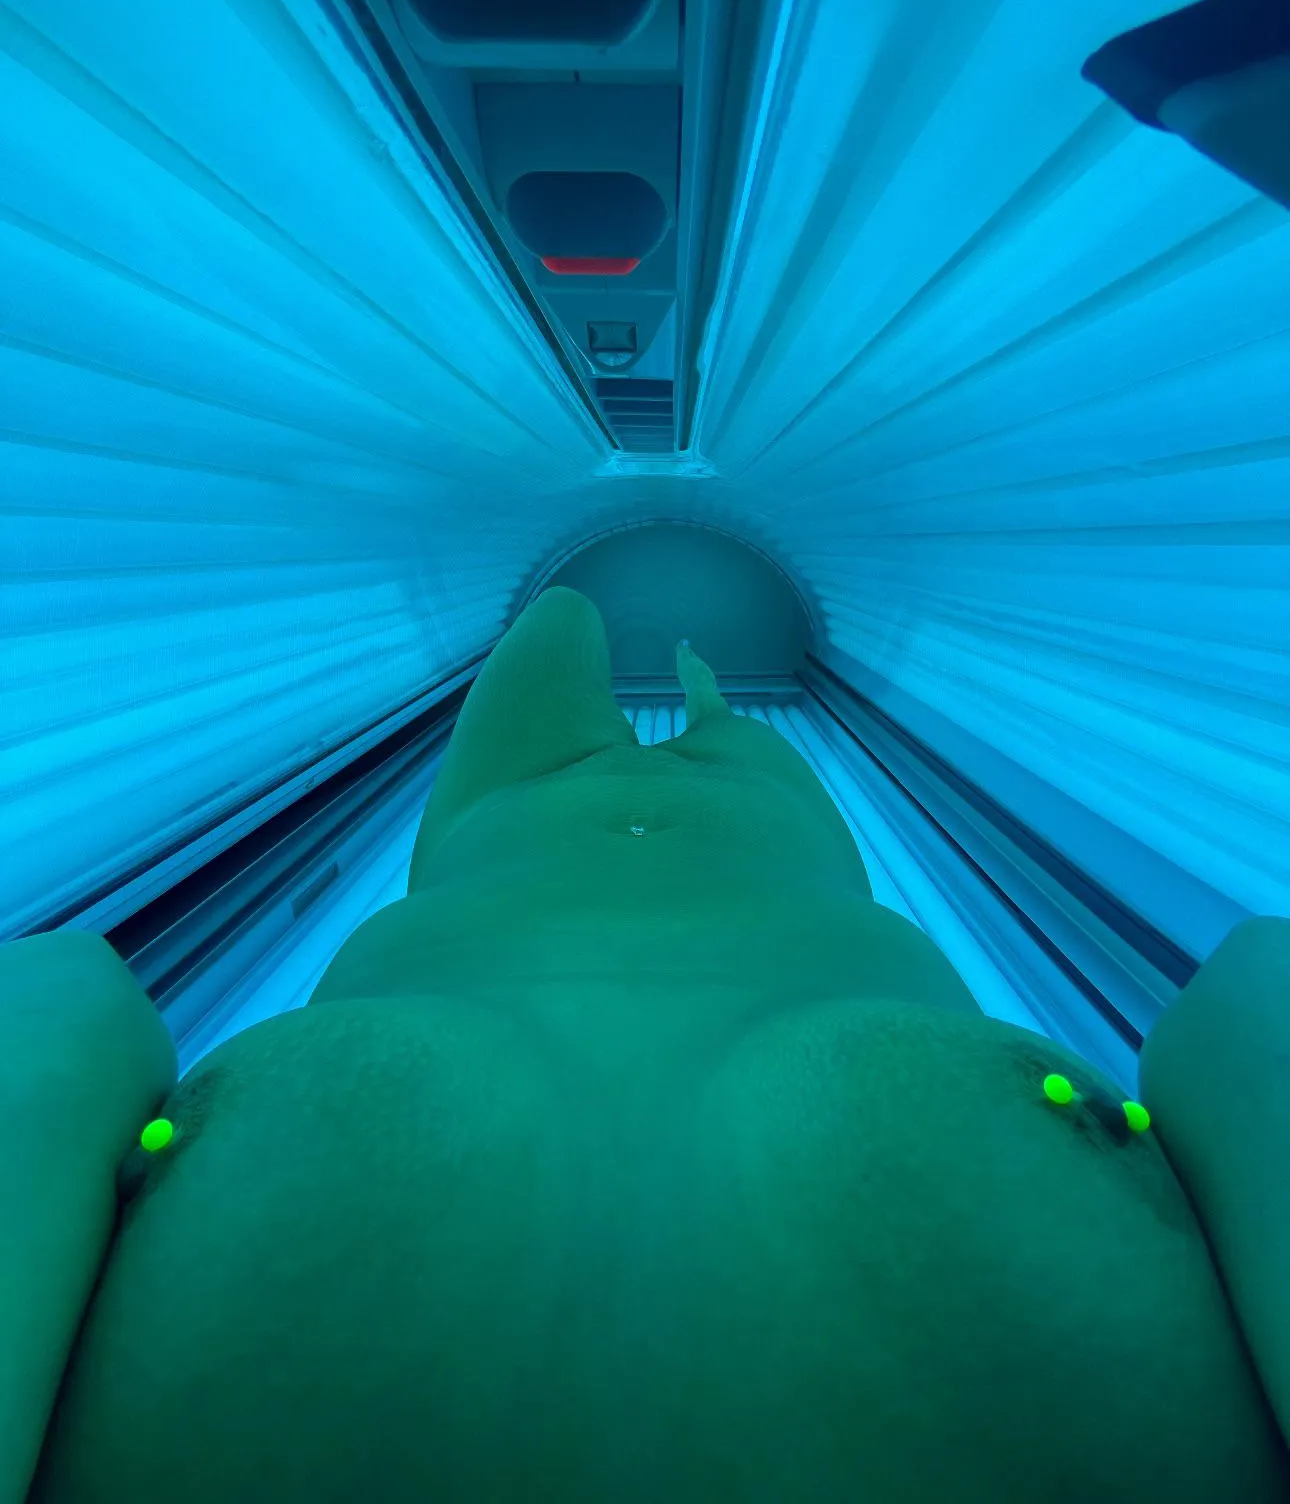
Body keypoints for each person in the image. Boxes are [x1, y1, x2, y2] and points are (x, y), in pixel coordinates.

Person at [10, 590, 1290, 1502]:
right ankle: (705, 696)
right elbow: (1250, 1001)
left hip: (491, 883)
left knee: (566, 622)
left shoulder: (69, 1020)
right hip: (761, 893)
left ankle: (691, 689)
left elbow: (60, 1010)